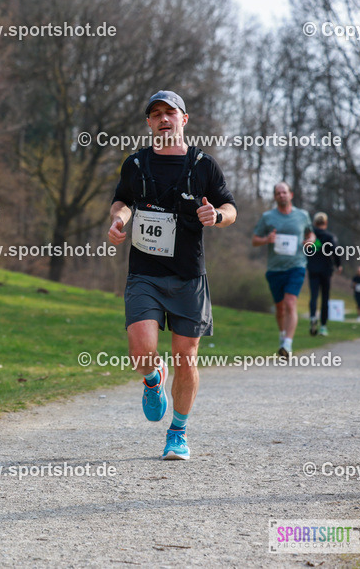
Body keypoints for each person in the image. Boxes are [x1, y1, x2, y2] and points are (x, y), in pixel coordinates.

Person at [108, 90, 237, 461]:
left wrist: (219, 217)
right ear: (149, 122)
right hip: (145, 272)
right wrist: (118, 220)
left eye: (170, 113)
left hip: (188, 275)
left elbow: (230, 206)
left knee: (186, 357)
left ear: (184, 119)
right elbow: (123, 200)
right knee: (141, 349)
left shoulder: (203, 165)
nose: (164, 119)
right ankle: (152, 378)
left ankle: (178, 432)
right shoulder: (134, 164)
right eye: (156, 114)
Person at [252, 183, 314, 359]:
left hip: (297, 266)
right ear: (275, 197)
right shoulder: (267, 217)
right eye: (278, 193)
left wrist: (311, 242)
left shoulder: (302, 216)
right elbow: (255, 240)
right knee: (280, 309)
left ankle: (287, 343)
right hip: (275, 269)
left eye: (284, 192)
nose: (281, 195)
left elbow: (311, 235)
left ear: (291, 194)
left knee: (290, 302)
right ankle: (282, 335)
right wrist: (266, 240)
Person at [305, 212, 341, 336]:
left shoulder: (310, 236)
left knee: (313, 296)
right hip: (326, 270)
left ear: (315, 223)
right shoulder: (329, 236)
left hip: (313, 269)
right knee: (325, 298)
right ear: (325, 223)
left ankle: (312, 318)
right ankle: (323, 326)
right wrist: (338, 265)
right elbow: (336, 251)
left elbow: (305, 250)